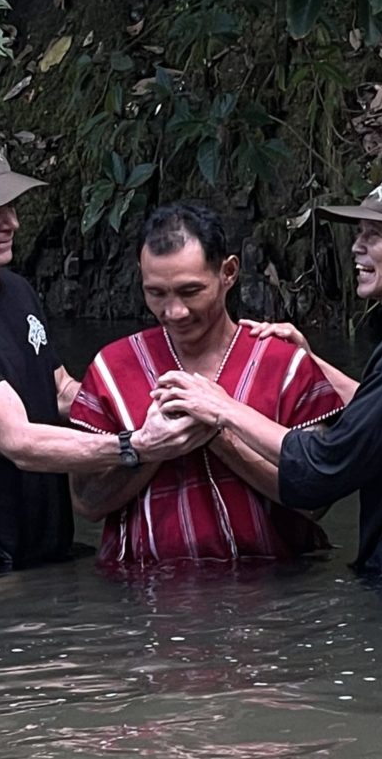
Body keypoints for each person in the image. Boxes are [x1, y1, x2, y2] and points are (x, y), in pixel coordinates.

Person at [156, 175, 382, 574]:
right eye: (359, 233)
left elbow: (325, 466)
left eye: (374, 235)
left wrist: (223, 409)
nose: (357, 246)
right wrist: (312, 362)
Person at [0, 137, 212, 573]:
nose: (12, 223)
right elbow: (19, 441)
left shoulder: (14, 289)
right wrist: (136, 445)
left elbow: (60, 389)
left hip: (48, 543)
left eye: (9, 206)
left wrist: (155, 404)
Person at [68, 202, 346, 566]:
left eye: (190, 291)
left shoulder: (285, 365)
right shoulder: (112, 368)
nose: (174, 311)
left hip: (269, 597)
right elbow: (86, 504)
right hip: (146, 599)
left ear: (228, 272)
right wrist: (150, 448)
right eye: (157, 293)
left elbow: (316, 500)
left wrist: (219, 433)